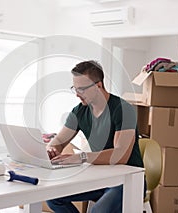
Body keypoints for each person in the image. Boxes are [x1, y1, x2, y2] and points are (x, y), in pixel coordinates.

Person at [46, 60, 145, 213]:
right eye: (75, 89)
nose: (77, 95)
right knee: (53, 197)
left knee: (98, 211)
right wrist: (52, 148)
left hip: (128, 181)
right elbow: (58, 140)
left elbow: (120, 156)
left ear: (98, 86)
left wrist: (80, 157)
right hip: (99, 179)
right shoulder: (79, 111)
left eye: (82, 89)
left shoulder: (124, 110)